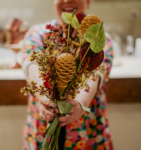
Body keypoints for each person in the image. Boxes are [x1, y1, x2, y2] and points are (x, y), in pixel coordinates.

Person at [22, 0, 114, 149]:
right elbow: (31, 65)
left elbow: (96, 72)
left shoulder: (99, 38)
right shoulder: (38, 33)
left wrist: (80, 103)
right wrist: (44, 96)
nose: (67, 0)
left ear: (88, 1)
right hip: (43, 129)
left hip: (87, 131)